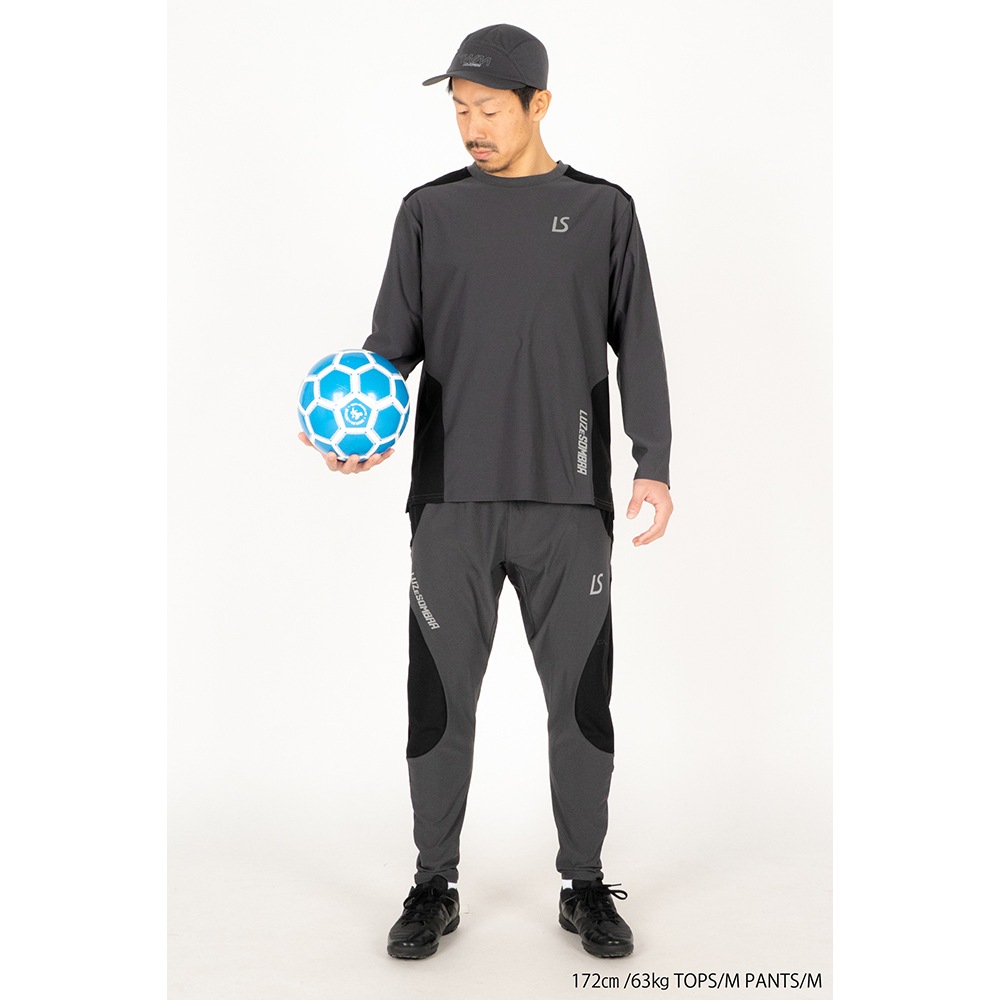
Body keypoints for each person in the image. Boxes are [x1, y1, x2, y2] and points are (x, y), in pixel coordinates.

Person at [299, 23, 673, 960]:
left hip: (569, 504)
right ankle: (434, 884)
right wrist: (356, 432)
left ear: (539, 104)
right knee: (439, 702)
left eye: (489, 110)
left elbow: (640, 341)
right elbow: (389, 350)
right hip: (451, 504)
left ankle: (584, 885)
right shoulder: (429, 212)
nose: (471, 127)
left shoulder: (603, 211)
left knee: (580, 705)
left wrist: (654, 460)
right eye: (460, 110)